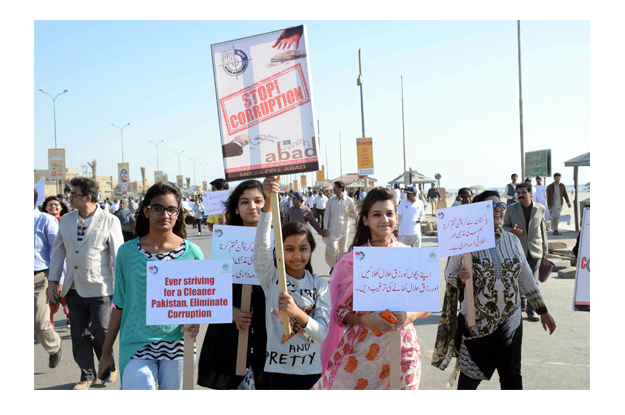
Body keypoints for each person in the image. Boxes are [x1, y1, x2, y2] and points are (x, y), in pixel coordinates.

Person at [432, 190, 556, 390]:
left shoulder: (512, 240)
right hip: (478, 324)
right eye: (491, 206)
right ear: (478, 212)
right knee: (470, 379)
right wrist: (460, 278)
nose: (498, 210)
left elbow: (525, 277)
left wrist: (542, 311)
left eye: (501, 205)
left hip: (511, 323)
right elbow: (449, 274)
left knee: (512, 378)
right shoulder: (466, 241)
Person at [313, 187, 429, 390]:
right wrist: (365, 320)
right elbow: (339, 312)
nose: (384, 219)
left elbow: (425, 304)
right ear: (365, 220)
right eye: (377, 214)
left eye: (389, 213)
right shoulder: (352, 262)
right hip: (362, 355)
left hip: (404, 350)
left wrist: (409, 316)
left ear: (397, 216)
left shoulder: (410, 255)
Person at [98, 181, 203, 390]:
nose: (165, 215)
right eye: (158, 209)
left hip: (178, 346)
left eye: (171, 209)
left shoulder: (193, 253)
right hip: (136, 344)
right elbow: (119, 305)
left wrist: (196, 321)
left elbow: (199, 301)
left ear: (178, 213)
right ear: (146, 211)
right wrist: (106, 350)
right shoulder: (127, 253)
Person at [47, 177, 124, 390]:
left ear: (88, 198)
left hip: (100, 286)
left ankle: (107, 362)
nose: (69, 198)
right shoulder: (66, 220)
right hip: (72, 286)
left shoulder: (110, 220)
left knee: (101, 329)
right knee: (79, 333)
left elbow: (118, 255)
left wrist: (122, 287)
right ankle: (86, 374)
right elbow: (58, 251)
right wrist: (54, 280)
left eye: (74, 195)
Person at [255, 176, 331, 390]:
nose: (297, 256)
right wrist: (268, 203)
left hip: (311, 371)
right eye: (289, 249)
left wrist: (297, 313)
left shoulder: (320, 285)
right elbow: (261, 245)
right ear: (280, 251)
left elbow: (322, 333)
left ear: (311, 251)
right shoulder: (272, 278)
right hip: (278, 372)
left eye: (303, 249)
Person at [197, 180, 271, 390]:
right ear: (237, 209)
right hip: (233, 328)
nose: (252, 207)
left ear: (266, 205)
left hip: (268, 327)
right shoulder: (226, 239)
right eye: (245, 202)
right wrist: (231, 312)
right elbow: (213, 289)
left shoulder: (278, 239)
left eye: (258, 201)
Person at [503, 183, 548, 321]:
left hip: (535, 249)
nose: (520, 195)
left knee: (533, 281)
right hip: (517, 249)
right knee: (517, 279)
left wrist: (545, 250)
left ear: (530, 193)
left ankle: (531, 310)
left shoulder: (540, 208)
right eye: (518, 192)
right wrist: (511, 231)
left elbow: (543, 229)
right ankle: (521, 301)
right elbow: (504, 226)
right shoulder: (511, 209)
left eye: (523, 192)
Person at [34, 189, 63, 370]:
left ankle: (54, 347)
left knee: (39, 323)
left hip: (39, 277)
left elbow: (58, 251)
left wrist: (58, 279)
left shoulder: (45, 220)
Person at [41, 196, 70, 327]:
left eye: (56, 204)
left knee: (66, 298)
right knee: (50, 301)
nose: (53, 207)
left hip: (67, 265)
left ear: (62, 207)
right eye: (50, 205)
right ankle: (49, 326)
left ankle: (72, 316)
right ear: (45, 207)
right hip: (47, 267)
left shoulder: (69, 221)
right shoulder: (40, 221)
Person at [322, 181, 357, 271]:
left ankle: (339, 267)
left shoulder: (349, 200)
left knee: (342, 250)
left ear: (340, 189)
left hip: (344, 229)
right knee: (332, 248)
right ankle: (333, 266)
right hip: (332, 229)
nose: (333, 189)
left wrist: (359, 222)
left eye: (335, 187)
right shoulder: (330, 201)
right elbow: (326, 215)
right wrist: (325, 228)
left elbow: (353, 213)